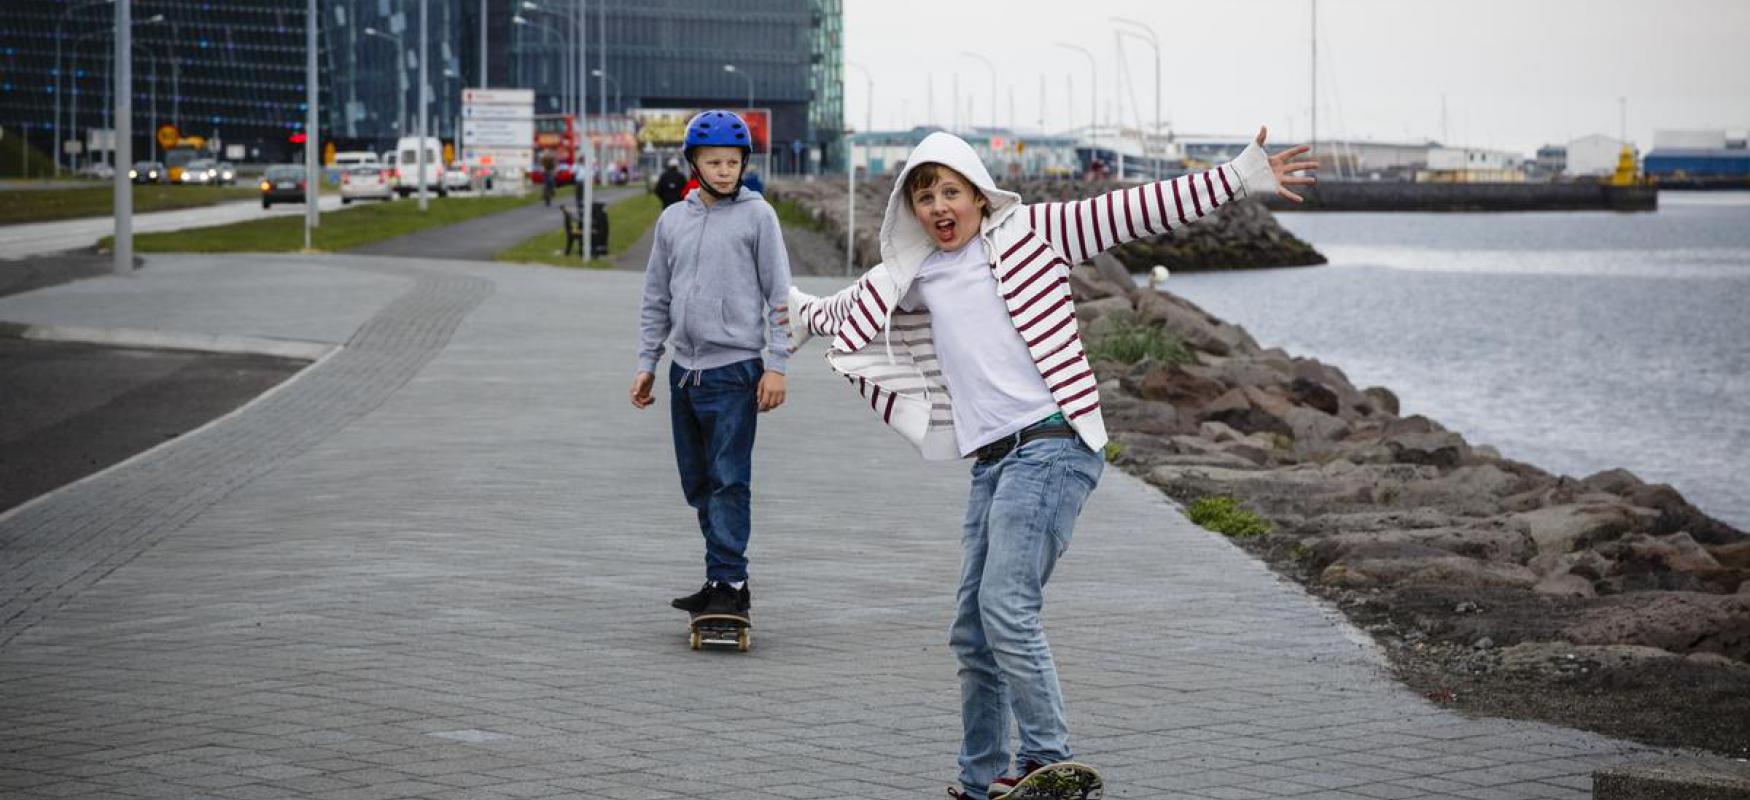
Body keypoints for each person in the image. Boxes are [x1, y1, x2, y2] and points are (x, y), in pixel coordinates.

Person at [786, 127, 1315, 800]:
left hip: (1053, 444)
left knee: (1006, 605)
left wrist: (1237, 175)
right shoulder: (915, 276)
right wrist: (801, 315)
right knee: (973, 633)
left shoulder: (1036, 233)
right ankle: (982, 782)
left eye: (951, 191)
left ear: (980, 194)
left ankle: (1048, 760)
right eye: (924, 197)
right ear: (909, 210)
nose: (939, 206)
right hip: (992, 465)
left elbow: (1138, 207)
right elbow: (851, 306)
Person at [631, 110, 794, 619]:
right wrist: (647, 361)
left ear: (744, 163)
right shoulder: (672, 220)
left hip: (735, 371)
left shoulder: (758, 216)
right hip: (684, 373)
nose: (725, 171)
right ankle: (719, 576)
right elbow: (656, 296)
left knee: (729, 479)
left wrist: (778, 362)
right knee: (698, 483)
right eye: (713, 162)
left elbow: (780, 295)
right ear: (694, 165)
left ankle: (730, 580)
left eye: (732, 162)